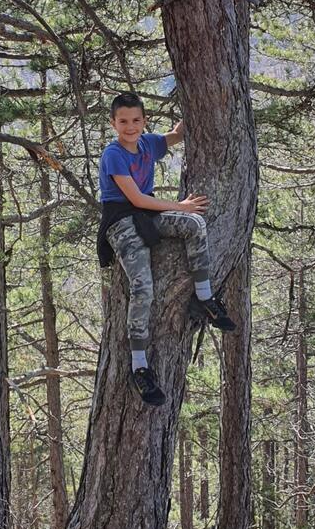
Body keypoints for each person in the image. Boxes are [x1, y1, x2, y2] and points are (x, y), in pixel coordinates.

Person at [97, 91, 237, 406]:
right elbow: (136, 199)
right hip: (121, 221)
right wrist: (181, 206)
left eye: (136, 120)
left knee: (194, 225)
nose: (130, 127)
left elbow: (175, 135)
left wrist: (200, 101)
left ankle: (205, 297)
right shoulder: (114, 154)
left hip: (147, 216)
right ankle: (139, 366)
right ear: (113, 123)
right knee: (142, 286)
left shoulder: (148, 143)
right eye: (123, 121)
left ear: (144, 121)